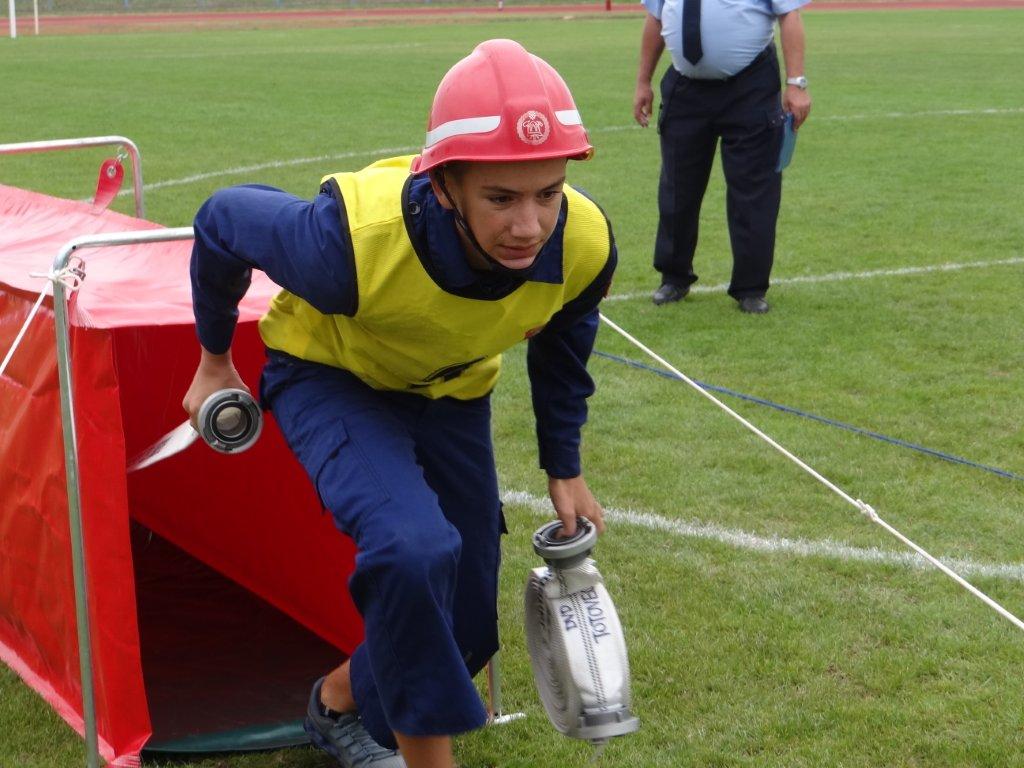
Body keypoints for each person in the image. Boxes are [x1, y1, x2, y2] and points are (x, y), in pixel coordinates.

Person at [182, 39, 616, 768]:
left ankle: (336, 703)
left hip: (452, 394)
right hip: (330, 380)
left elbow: (564, 350)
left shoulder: (585, 245)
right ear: (444, 187)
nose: (529, 226)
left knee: (467, 625)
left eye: (548, 193)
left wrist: (563, 466)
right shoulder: (346, 243)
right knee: (414, 549)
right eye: (501, 198)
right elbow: (221, 218)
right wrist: (214, 359)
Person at [633, 0, 812, 314]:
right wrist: (643, 81)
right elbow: (656, 18)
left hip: (750, 87)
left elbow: (789, 14)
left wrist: (796, 83)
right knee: (677, 190)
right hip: (685, 89)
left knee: (754, 192)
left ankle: (751, 287)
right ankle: (674, 277)